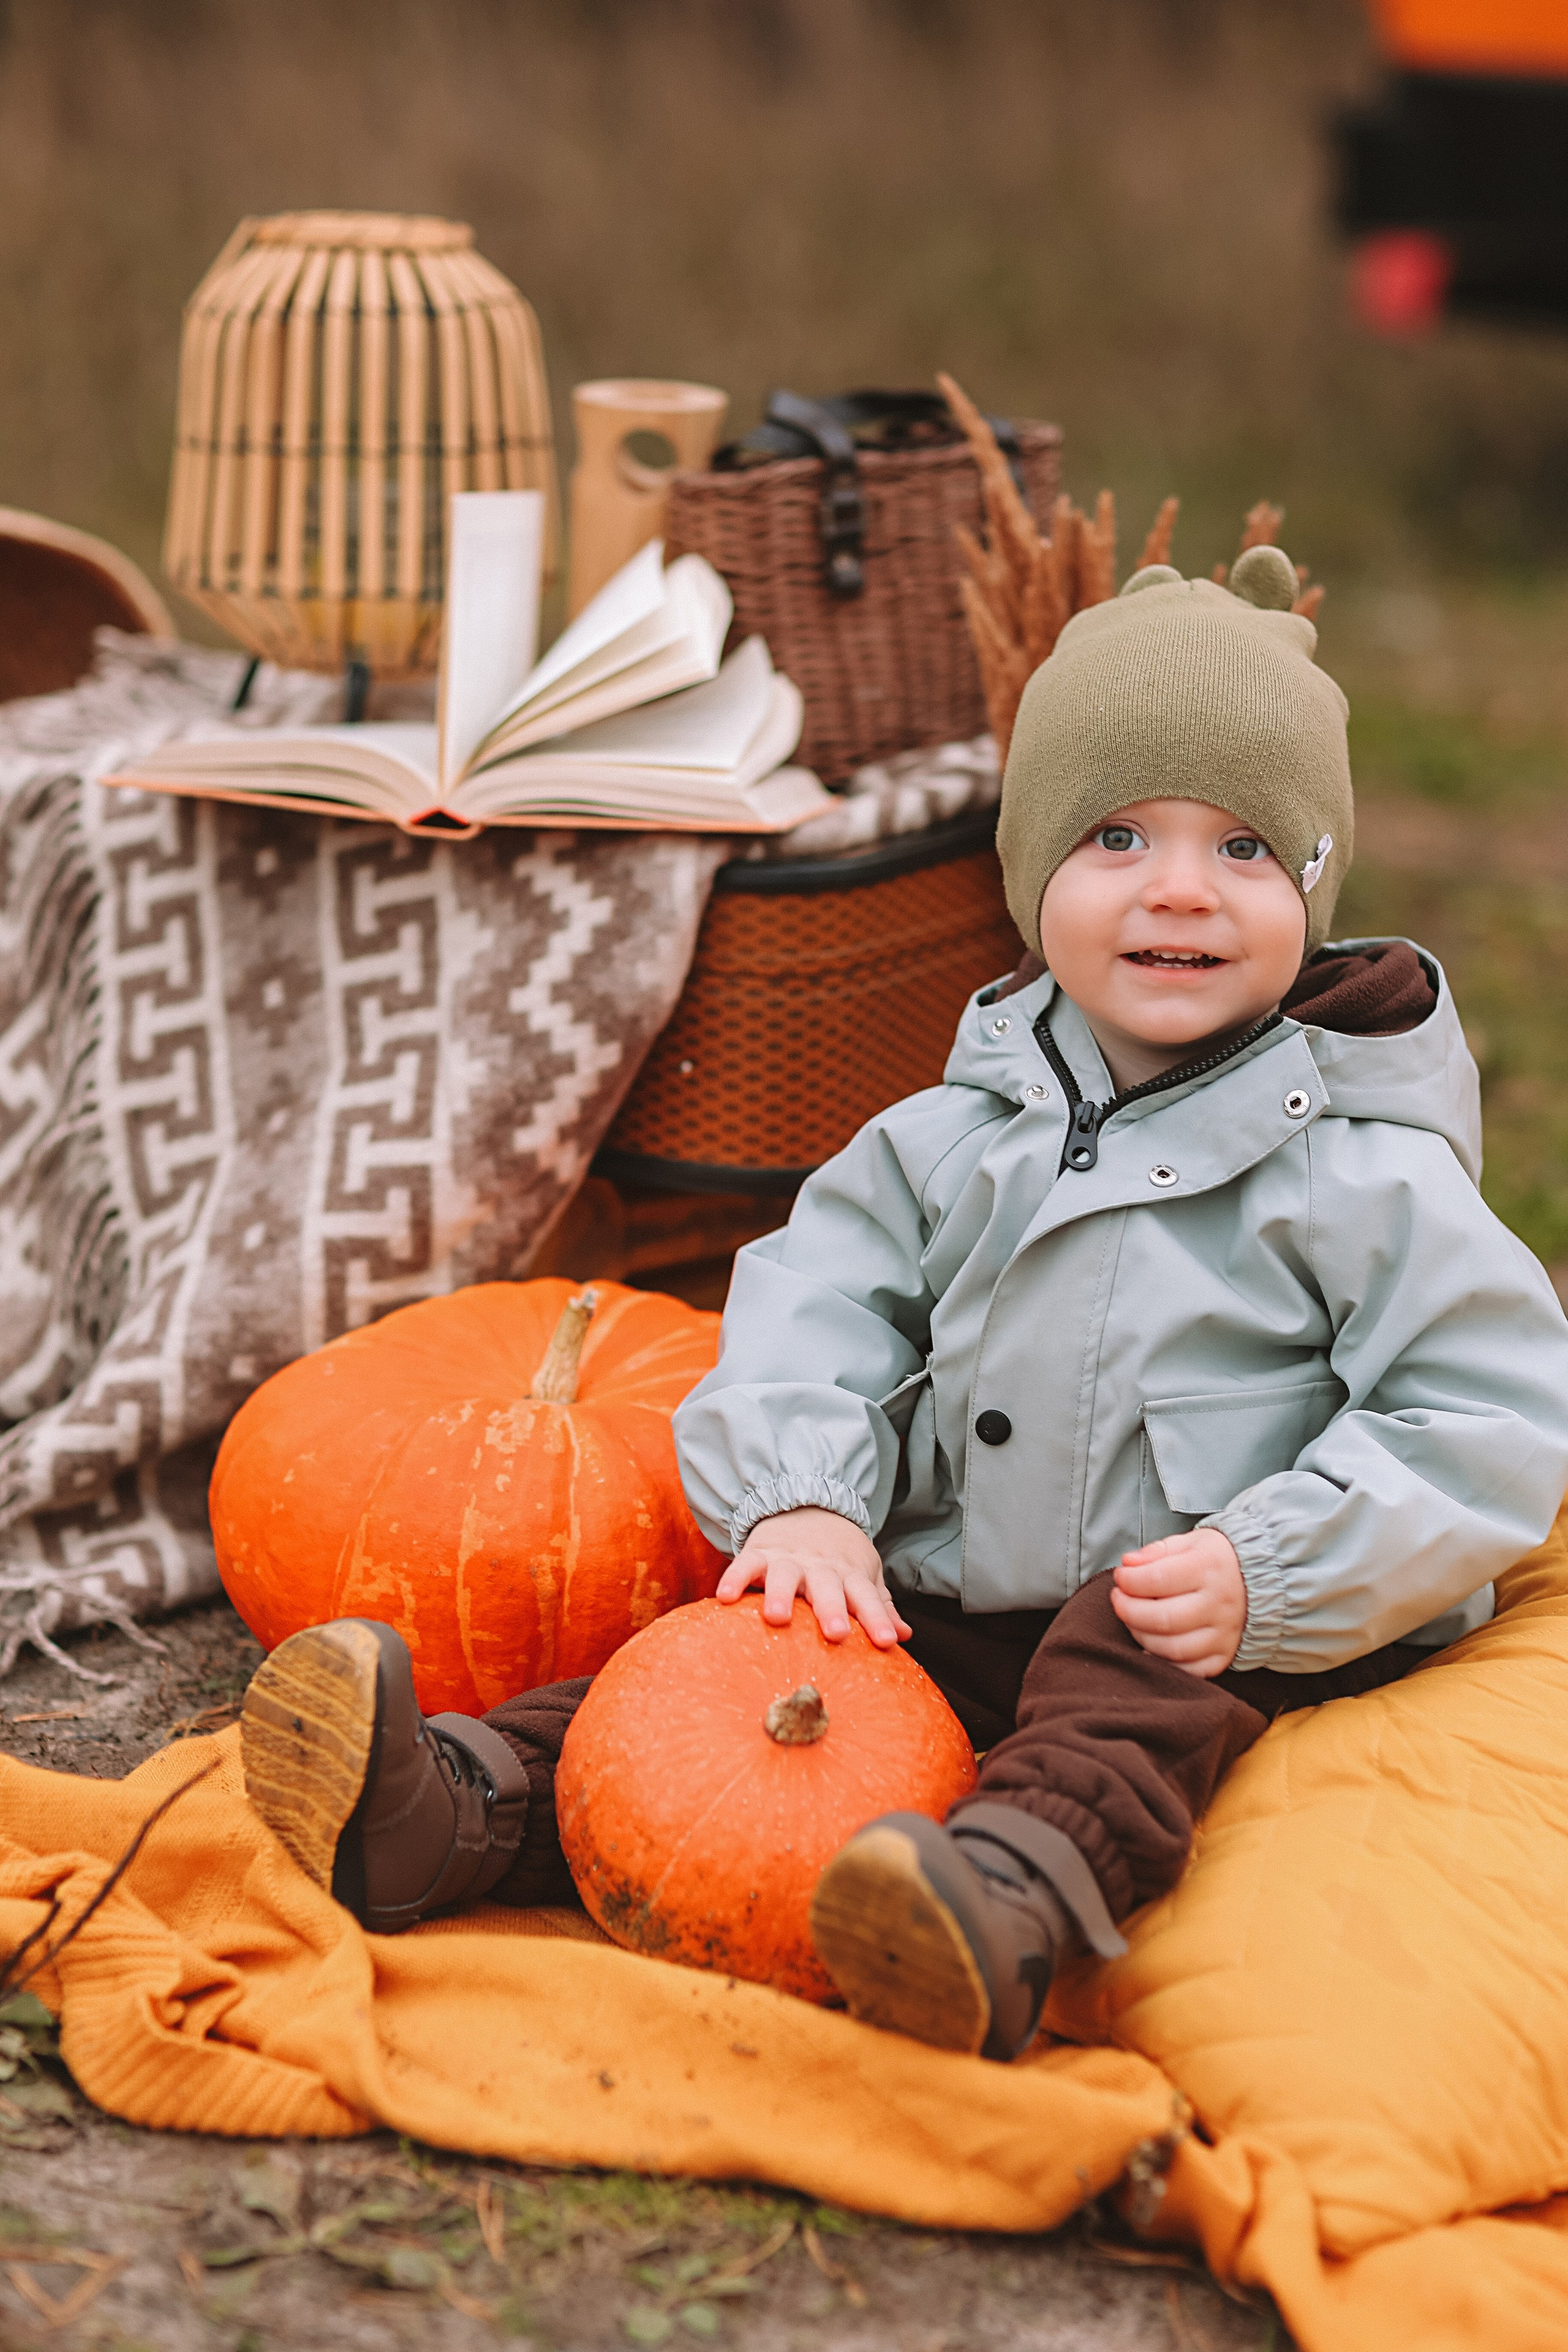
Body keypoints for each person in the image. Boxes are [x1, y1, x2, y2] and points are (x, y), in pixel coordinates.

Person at [237, 545, 1568, 2064]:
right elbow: (815, 1304)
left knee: (1124, 1699)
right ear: (1029, 874)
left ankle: (994, 1913)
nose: (1181, 890)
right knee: (735, 1659)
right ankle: (451, 1806)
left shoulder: (1357, 1169)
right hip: (941, 1578)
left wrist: (1267, 1567)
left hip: (1213, 1606)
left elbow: (1479, 1411)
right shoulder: (947, 1136)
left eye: (1247, 850)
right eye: (1118, 835)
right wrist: (808, 1505)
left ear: (1314, 885)